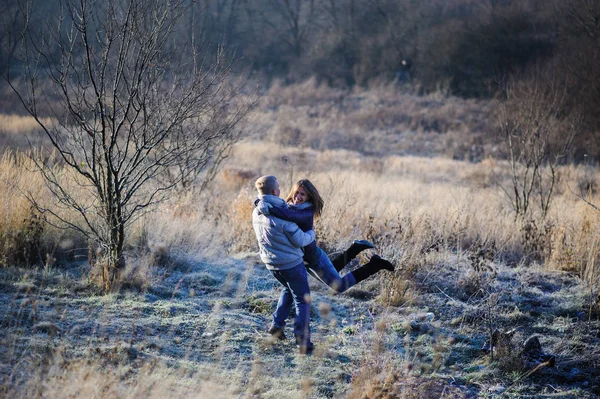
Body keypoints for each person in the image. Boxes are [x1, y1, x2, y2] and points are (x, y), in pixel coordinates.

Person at [256, 179, 395, 294]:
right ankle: (356, 248)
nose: (298, 197)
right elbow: (278, 205)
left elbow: (289, 215)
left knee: (338, 286)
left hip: (313, 257)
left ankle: (375, 265)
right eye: (296, 193)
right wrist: (259, 202)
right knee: (333, 270)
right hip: (303, 260)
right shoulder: (289, 206)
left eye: (303, 195)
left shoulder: (306, 212)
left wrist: (268, 209)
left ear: (309, 197)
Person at [252, 175, 316, 354]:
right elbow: (301, 240)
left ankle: (276, 328)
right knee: (303, 301)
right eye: (279, 187)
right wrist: (312, 232)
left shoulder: (257, 209)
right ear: (274, 191)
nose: (281, 190)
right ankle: (303, 343)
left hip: (271, 263)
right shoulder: (283, 215)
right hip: (291, 264)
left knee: (289, 289)